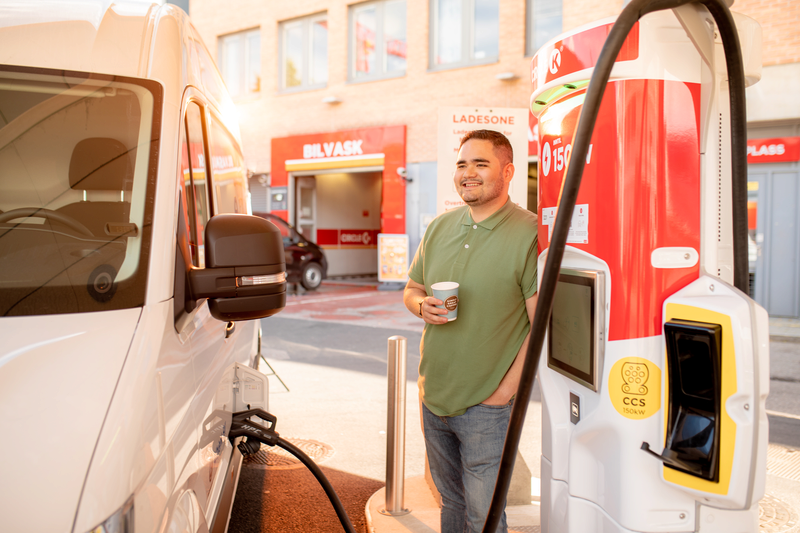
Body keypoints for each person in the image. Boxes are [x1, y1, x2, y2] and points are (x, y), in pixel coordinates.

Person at [403, 129, 538, 533]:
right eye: (462, 164)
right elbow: (413, 289)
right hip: (435, 395)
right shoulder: (439, 227)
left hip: (487, 406)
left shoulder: (529, 233)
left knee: (485, 518)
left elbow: (541, 326)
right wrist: (419, 306)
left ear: (508, 171)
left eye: (481, 163)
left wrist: (503, 394)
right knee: (453, 506)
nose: (468, 173)